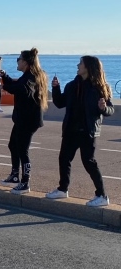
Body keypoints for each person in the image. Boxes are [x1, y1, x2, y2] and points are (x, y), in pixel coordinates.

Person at [46, 56, 114, 206]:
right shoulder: (72, 85)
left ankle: (102, 196)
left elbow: (110, 110)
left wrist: (103, 108)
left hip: (88, 131)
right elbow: (60, 103)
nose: (78, 65)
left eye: (80, 63)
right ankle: (62, 189)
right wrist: (56, 88)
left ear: (88, 67)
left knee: (89, 162)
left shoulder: (99, 88)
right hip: (71, 130)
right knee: (64, 159)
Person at [0, 48, 48, 194]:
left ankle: (25, 182)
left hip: (28, 120)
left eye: (19, 59)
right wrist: (5, 77)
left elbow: (22, 89)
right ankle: (15, 176)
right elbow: (18, 86)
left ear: (25, 62)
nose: (17, 61)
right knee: (13, 145)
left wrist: (3, 86)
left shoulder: (31, 77)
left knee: (23, 150)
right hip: (22, 119)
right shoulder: (27, 76)